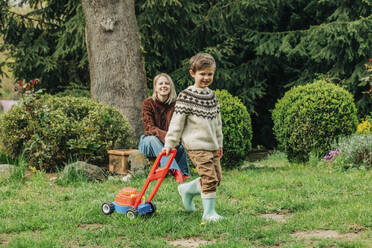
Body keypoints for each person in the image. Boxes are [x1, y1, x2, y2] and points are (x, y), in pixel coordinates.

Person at [163, 53, 224, 222]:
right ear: (193, 73)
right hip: (196, 145)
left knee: (217, 178)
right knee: (209, 178)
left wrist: (219, 143)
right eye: (202, 74)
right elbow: (177, 122)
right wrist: (170, 142)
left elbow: (217, 123)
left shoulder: (212, 97)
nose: (206, 77)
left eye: (209, 74)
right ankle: (209, 213)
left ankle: (188, 189)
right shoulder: (186, 96)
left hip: (212, 145)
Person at [138, 73, 189, 183]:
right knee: (153, 139)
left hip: (168, 142)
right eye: (160, 83)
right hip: (148, 143)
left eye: (167, 83)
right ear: (155, 87)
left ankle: (184, 173)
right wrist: (168, 138)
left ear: (171, 87)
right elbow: (149, 128)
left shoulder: (176, 105)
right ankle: (174, 170)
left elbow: (178, 127)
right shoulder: (148, 103)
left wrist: (174, 139)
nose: (164, 86)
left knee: (179, 145)